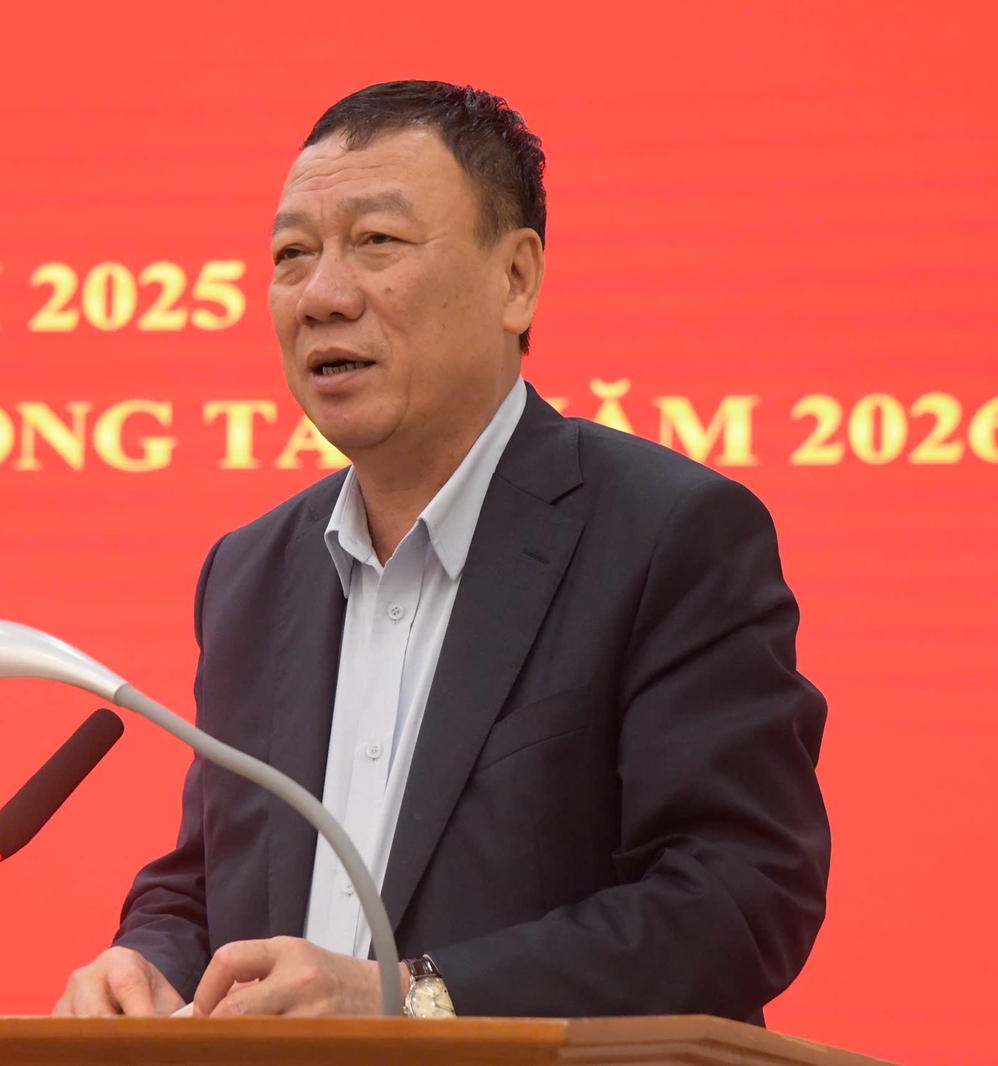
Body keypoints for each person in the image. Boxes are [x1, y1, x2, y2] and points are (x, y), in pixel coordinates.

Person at [54, 80, 830, 1021]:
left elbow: (738, 899)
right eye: (293, 254)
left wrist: (409, 999)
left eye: (377, 242)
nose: (323, 296)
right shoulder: (251, 574)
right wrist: (148, 959)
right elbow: (210, 877)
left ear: (516, 280)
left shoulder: (668, 535)